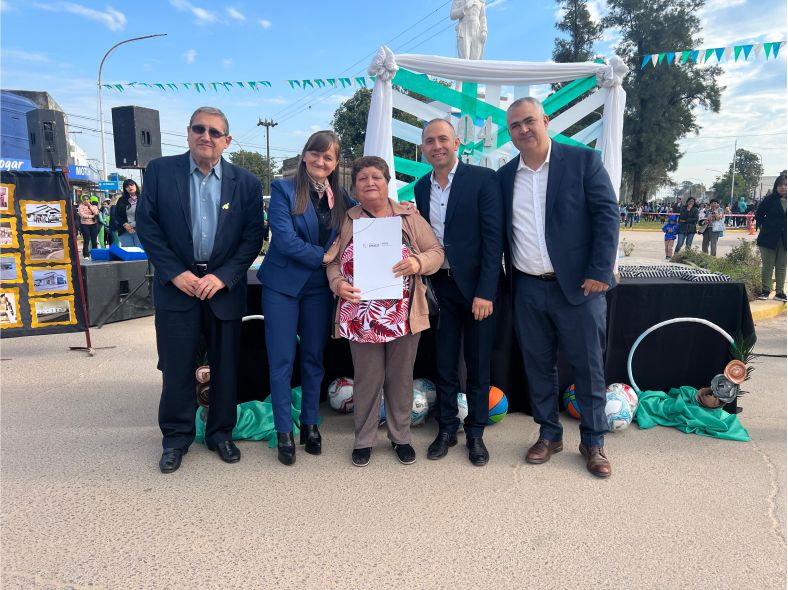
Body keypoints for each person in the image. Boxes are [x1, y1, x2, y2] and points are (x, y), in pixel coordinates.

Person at [136, 106, 265, 473]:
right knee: (176, 367)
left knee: (225, 366)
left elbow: (253, 236)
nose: (205, 136)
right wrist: (176, 273)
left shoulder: (247, 183)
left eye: (214, 131)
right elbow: (148, 227)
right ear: (188, 133)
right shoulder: (161, 172)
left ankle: (220, 433)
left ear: (227, 141)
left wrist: (222, 276)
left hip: (222, 289)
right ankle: (176, 439)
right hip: (178, 288)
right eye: (199, 129)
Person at [498, 97, 619, 478]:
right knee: (537, 366)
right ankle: (549, 434)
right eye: (515, 125)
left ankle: (593, 440)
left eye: (529, 121)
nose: (523, 130)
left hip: (581, 288)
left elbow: (607, 215)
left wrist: (601, 269)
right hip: (528, 288)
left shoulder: (582, 162)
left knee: (588, 367)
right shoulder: (504, 177)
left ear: (545, 120)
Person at [327, 156, 444, 466]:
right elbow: (334, 261)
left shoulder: (408, 217)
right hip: (360, 315)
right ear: (355, 187)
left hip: (403, 314)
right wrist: (337, 284)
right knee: (366, 380)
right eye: (363, 179)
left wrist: (418, 263)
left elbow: (436, 252)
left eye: (376, 177)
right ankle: (364, 440)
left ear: (387, 181)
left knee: (401, 378)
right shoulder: (348, 218)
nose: (369, 183)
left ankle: (400, 438)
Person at [257, 130, 353, 466]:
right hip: (282, 285)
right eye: (316, 154)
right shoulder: (283, 189)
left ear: (335, 163)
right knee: (282, 361)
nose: (321, 162)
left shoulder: (342, 197)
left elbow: (369, 214)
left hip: (317, 288)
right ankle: (284, 430)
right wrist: (325, 257)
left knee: (314, 359)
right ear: (305, 155)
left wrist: (400, 209)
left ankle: (310, 424)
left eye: (329, 157)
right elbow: (282, 239)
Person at [414, 118, 503, 467]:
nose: (436, 146)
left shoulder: (483, 180)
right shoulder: (421, 188)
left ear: (456, 144)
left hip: (478, 290)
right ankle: (447, 428)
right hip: (442, 287)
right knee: (446, 362)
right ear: (423, 148)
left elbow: (494, 239)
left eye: (442, 139)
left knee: (479, 365)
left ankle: (476, 432)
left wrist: (486, 291)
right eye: (430, 141)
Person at [755, 174, 787, 301]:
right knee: (768, 265)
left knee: (782, 265)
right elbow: (758, 216)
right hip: (768, 238)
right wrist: (765, 228)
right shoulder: (769, 200)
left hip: (785, 238)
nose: (783, 187)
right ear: (776, 187)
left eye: (785, 184)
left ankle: (780, 292)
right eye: (780, 185)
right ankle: (765, 291)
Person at [116, 179, 143, 248]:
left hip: (140, 230)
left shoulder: (143, 198)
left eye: (131, 185)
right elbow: (117, 215)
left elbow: (146, 214)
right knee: (128, 252)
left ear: (135, 186)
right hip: (124, 230)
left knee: (140, 253)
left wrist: (132, 225)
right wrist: (125, 224)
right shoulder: (121, 200)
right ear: (125, 189)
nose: (130, 187)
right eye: (127, 186)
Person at [77, 195, 99, 259]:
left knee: (94, 240)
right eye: (85, 199)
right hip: (85, 225)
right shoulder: (80, 207)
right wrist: (92, 216)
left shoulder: (94, 206)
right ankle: (86, 255)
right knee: (86, 240)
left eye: (87, 199)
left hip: (93, 224)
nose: (86, 201)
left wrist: (90, 206)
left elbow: (96, 213)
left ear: (89, 200)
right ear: (82, 200)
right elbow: (82, 215)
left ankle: (95, 254)